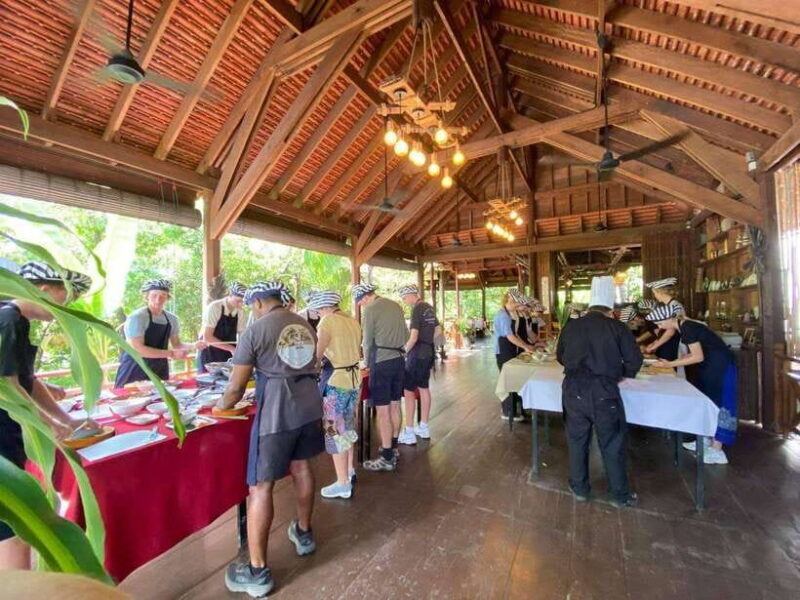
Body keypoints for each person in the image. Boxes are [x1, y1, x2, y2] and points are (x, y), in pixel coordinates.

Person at [219, 281, 323, 597]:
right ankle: (304, 533)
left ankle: (257, 571)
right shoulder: (304, 323)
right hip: (309, 404)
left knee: (260, 486)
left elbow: (236, 387)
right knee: (302, 468)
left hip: (278, 412)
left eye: (253, 307)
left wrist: (220, 406)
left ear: (258, 303)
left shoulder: (257, 329)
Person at [1, 262, 96, 569]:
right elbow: (8, 385)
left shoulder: (19, 321)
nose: (66, 308)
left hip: (12, 436)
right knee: (16, 527)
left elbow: (27, 378)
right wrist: (49, 424)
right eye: (64, 299)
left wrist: (66, 420)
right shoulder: (8, 319)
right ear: (43, 291)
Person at [556, 276, 642, 508]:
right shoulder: (617, 327)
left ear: (590, 304)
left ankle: (580, 488)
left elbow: (560, 356)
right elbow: (634, 360)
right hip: (604, 391)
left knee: (577, 440)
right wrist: (618, 373)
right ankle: (619, 495)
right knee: (611, 442)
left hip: (573, 389)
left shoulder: (572, 325)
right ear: (610, 307)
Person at [645, 304, 737, 464]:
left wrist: (670, 364)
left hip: (720, 366)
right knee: (707, 400)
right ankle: (706, 439)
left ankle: (717, 450)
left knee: (720, 403)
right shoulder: (684, 326)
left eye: (660, 324)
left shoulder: (687, 328)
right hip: (709, 365)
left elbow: (697, 356)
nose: (660, 327)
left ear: (669, 319)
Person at [310, 291, 361, 499]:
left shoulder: (327, 321)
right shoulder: (352, 320)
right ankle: (349, 470)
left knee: (333, 431)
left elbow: (317, 354)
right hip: (354, 381)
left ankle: (342, 484)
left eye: (318, 311)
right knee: (347, 426)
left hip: (335, 384)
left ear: (324, 308)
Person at [353, 283, 408, 472]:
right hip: (400, 360)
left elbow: (367, 340)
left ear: (365, 298)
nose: (361, 306)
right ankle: (393, 447)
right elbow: (406, 334)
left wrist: (366, 362)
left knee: (382, 410)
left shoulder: (371, 310)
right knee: (395, 405)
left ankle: (386, 457)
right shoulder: (396, 305)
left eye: (360, 302)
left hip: (382, 363)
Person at [114, 279, 195, 388]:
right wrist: (171, 354)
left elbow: (177, 345)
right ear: (147, 296)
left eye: (163, 295)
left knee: (160, 401)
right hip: (135, 368)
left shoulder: (172, 319)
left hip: (159, 368)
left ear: (168, 297)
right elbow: (138, 349)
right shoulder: (137, 317)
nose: (158, 299)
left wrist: (195, 345)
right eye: (154, 295)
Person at [396, 284, 440, 446]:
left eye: (404, 297)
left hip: (417, 353)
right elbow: (439, 330)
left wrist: (403, 352)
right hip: (428, 352)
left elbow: (413, 337)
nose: (404, 301)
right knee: (424, 388)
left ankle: (409, 431)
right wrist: (427, 340)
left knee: (408, 392)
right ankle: (424, 427)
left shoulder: (416, 309)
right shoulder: (429, 307)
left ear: (411, 295)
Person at [494, 289, 537, 421]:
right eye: (514, 303)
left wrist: (527, 346)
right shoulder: (502, 315)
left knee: (513, 378)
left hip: (512, 349)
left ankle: (514, 409)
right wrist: (525, 346)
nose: (517, 306)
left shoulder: (512, 314)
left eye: (517, 303)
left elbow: (516, 334)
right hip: (503, 350)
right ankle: (507, 412)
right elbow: (509, 336)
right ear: (507, 301)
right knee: (507, 380)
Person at [196, 282, 247, 372]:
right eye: (238, 301)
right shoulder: (215, 307)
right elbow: (207, 337)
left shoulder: (241, 312)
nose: (241, 304)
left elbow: (242, 336)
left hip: (228, 355)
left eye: (243, 302)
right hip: (209, 354)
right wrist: (232, 349)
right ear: (230, 294)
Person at [643, 277, 684, 361]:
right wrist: (655, 343)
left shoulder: (674, 306)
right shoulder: (669, 305)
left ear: (660, 292)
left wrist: (654, 346)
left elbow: (670, 331)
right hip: (666, 342)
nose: (654, 296)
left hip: (672, 343)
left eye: (655, 293)